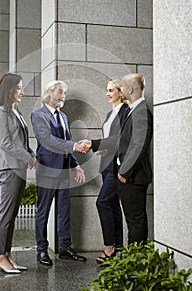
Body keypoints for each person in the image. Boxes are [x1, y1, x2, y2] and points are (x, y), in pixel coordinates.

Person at [31, 80, 87, 266]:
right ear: (50, 93)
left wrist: (76, 164)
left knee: (64, 211)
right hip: (47, 170)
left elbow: (65, 142)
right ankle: (41, 250)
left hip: (63, 170)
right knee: (43, 211)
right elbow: (48, 140)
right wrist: (74, 146)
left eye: (64, 92)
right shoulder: (38, 115)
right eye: (61, 92)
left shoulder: (63, 116)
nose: (64, 96)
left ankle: (65, 248)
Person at [0, 73, 37, 274]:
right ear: (9, 90)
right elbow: (5, 143)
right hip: (9, 168)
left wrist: (31, 153)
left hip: (18, 169)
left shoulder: (14, 111)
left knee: (12, 214)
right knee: (6, 214)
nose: (22, 92)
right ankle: (0, 255)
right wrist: (27, 158)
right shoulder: (0, 112)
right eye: (18, 88)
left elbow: (21, 140)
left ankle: (8, 255)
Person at [89, 79, 130, 262]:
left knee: (102, 202)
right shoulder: (109, 114)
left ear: (121, 92)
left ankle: (109, 246)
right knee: (112, 204)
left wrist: (95, 144)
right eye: (107, 90)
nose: (107, 93)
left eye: (111, 90)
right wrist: (103, 148)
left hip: (116, 166)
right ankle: (118, 246)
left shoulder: (125, 112)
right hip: (106, 164)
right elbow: (110, 139)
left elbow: (120, 138)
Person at [117, 73, 153, 244]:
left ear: (130, 89)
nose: (121, 90)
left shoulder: (141, 111)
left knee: (135, 221)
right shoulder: (136, 110)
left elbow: (139, 145)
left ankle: (136, 261)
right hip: (131, 176)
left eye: (122, 86)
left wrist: (123, 171)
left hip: (133, 177)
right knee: (133, 220)